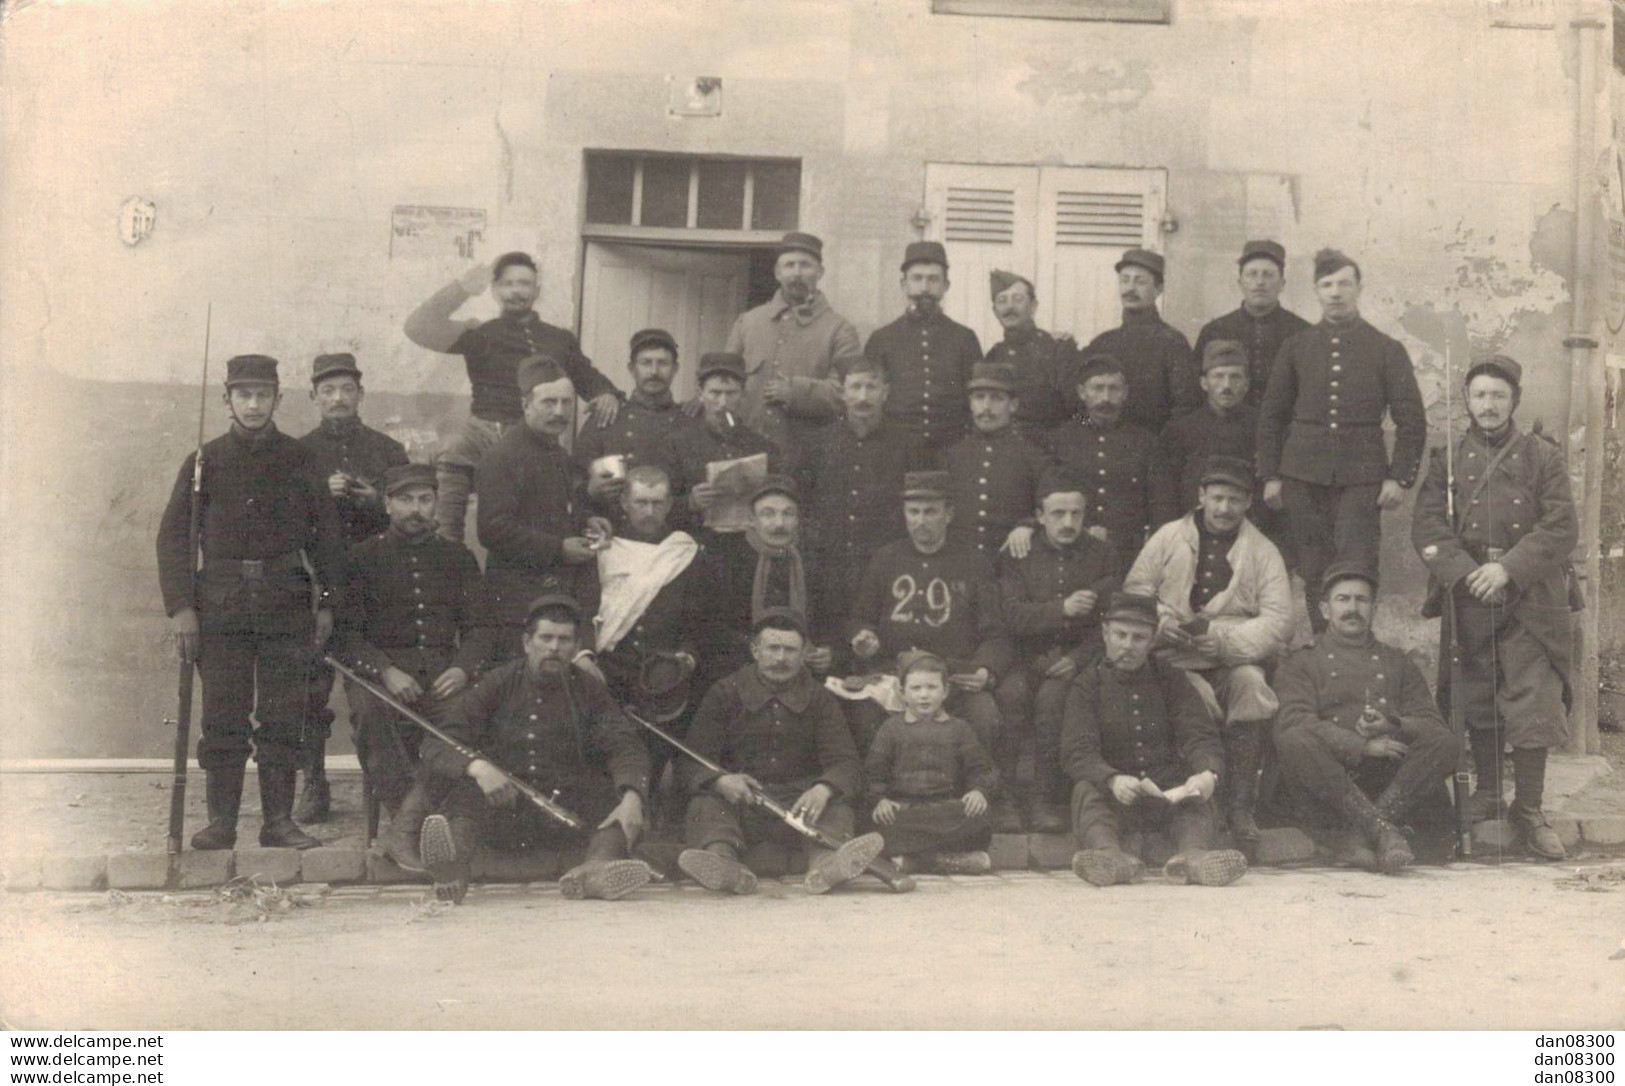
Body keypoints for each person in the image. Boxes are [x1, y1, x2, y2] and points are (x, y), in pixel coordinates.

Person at [155, 354, 345, 851]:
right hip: (220, 605)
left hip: (286, 604)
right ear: (227, 400)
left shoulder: (301, 460)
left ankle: (278, 822)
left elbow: (327, 538)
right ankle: (222, 824)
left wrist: (325, 602)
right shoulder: (203, 462)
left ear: (278, 399)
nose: (254, 404)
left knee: (283, 715)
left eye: (264, 395)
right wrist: (181, 608)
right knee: (223, 716)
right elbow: (173, 539)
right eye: (244, 395)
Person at [1412, 354, 1579, 860]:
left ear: (1514, 402)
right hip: (1470, 593)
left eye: (1498, 396)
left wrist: (1507, 568)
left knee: (1532, 696)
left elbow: (1561, 526)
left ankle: (1528, 808)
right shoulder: (1447, 460)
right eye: (1480, 395)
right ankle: (1487, 792)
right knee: (1478, 693)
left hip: (1530, 595)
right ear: (1467, 401)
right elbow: (1427, 528)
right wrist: (1466, 572)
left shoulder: (1542, 457)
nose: (1489, 404)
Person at [418, 594, 654, 904]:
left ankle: (595, 871)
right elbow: (438, 741)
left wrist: (632, 795)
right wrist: (478, 767)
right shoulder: (497, 684)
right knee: (467, 792)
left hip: (569, 810)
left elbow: (624, 743)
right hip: (506, 811)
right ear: (527, 643)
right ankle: (452, 869)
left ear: (575, 646)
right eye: (546, 637)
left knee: (615, 804)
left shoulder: (589, 689)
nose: (554, 647)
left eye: (564, 640)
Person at [1121, 455, 1292, 856]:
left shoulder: (1263, 551)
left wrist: (1226, 642)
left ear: (1249, 502)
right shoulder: (1168, 537)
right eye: (1216, 498)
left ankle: (1240, 806)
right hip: (1175, 658)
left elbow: (1279, 619)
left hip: (1231, 655)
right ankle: (1201, 804)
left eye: (1234, 500)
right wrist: (1159, 620)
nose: (1224, 509)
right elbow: (1136, 590)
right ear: (1201, 496)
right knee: (1191, 695)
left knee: (1252, 686)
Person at [334, 463, 495, 871]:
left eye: (425, 499)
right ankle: (412, 827)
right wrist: (385, 671)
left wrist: (462, 669)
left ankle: (418, 830)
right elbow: (346, 634)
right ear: (388, 504)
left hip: (444, 676)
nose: (416, 509)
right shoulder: (361, 559)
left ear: (437, 505)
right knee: (373, 715)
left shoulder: (458, 559)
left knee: (471, 721)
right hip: (382, 677)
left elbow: (479, 629)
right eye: (406, 500)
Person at [1257, 248, 1427, 633]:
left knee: (1357, 566)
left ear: (1359, 288)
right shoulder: (1297, 347)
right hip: (1302, 477)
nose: (1336, 292)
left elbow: (1411, 419)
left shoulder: (1386, 350)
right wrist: (1271, 474)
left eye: (1344, 283)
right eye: (1327, 284)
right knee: (1313, 568)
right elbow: (1273, 416)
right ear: (1317, 291)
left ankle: (1356, 651)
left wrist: (1398, 477)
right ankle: (1323, 648)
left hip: (1361, 479)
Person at [403, 252, 622, 543]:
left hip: (535, 440)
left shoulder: (559, 339)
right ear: (494, 291)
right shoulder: (481, 333)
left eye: (524, 283)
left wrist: (606, 393)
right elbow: (417, 328)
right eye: (507, 284)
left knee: (538, 520)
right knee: (450, 490)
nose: (516, 290)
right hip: (482, 432)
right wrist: (462, 289)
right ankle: (447, 553)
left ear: (537, 291)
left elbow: (586, 376)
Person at [676, 609, 895, 896]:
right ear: (755, 650)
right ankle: (723, 863)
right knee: (706, 804)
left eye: (790, 650)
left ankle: (826, 865)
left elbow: (845, 761)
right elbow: (691, 760)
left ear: (804, 653)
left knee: (836, 806)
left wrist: (824, 788)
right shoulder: (725, 692)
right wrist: (721, 781)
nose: (781, 658)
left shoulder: (820, 697)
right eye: (773, 648)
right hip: (742, 805)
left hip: (801, 807)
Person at [847, 471, 1015, 827]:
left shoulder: (974, 563)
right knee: (864, 717)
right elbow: (860, 619)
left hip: (951, 677)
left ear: (949, 513)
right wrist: (863, 638)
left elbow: (996, 633)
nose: (921, 521)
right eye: (914, 512)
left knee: (985, 714)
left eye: (930, 511)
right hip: (895, 677)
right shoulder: (885, 559)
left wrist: (985, 671)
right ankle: (875, 807)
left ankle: (982, 802)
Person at [1272, 563, 1462, 873]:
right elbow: (1294, 721)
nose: (1352, 608)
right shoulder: (1302, 661)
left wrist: (1393, 723)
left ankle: (1366, 831)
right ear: (1324, 609)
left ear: (1373, 608)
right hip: (1331, 777)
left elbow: (1431, 723)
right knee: (1294, 740)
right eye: (1342, 600)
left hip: (1390, 779)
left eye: (1361, 600)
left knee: (1445, 742)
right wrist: (1359, 746)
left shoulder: (1396, 661)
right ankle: (1383, 830)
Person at [1060, 592, 1248, 887]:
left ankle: (1195, 858)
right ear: (1105, 634)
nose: (1127, 645)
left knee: (1198, 795)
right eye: (1120, 635)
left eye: (1138, 638)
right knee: (1086, 790)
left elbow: (1199, 734)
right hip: (1117, 796)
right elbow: (1077, 751)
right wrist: (1112, 779)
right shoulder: (1087, 686)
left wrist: (1207, 773)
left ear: (1151, 642)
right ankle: (1109, 857)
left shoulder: (1171, 679)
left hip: (1166, 793)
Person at [294, 352, 410, 823]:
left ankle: (390, 789)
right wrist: (320, 494)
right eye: (328, 391)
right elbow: (283, 523)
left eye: (346, 389)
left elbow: (410, 518)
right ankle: (313, 784)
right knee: (308, 690)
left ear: (361, 394)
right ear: (314, 397)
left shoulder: (387, 451)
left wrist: (377, 502)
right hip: (316, 585)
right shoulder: (298, 453)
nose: (338, 398)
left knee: (376, 693)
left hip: (373, 589)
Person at [997, 468, 1123, 832]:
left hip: (1078, 660)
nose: (1067, 522)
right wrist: (1061, 609)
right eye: (1057, 514)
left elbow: (1111, 622)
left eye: (1076, 514)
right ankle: (1004, 799)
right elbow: (1010, 615)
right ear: (1039, 517)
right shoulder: (1018, 553)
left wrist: (1078, 659)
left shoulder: (1102, 554)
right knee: (1010, 696)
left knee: (1054, 703)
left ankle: (1045, 800)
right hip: (1025, 658)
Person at [475, 356, 613, 661]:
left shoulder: (558, 454)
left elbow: (560, 510)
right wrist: (559, 549)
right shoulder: (503, 457)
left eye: (566, 403)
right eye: (548, 402)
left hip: (555, 602)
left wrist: (588, 520)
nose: (559, 412)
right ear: (526, 405)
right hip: (517, 607)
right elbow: (492, 529)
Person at [793, 357, 929, 636]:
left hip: (884, 568)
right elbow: (801, 503)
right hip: (827, 567)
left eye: (871, 387)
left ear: (886, 392)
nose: (863, 396)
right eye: (855, 387)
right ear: (843, 393)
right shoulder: (818, 443)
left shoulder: (909, 446)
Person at [721, 231, 863, 452]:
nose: (796, 273)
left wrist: (795, 392)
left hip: (808, 452)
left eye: (805, 265)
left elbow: (848, 393)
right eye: (789, 265)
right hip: (747, 446)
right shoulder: (748, 322)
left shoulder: (840, 330)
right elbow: (724, 380)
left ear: (820, 272)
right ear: (778, 272)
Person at [694, 476, 833, 692]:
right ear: (751, 519)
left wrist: (826, 652)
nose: (779, 524)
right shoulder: (726, 559)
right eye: (768, 514)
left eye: (787, 514)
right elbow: (709, 627)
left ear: (798, 520)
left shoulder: (812, 562)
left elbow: (830, 620)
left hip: (801, 674)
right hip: (740, 673)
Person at [865, 651, 998, 875]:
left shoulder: (959, 728)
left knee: (979, 819)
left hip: (946, 807)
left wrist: (978, 791)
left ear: (945, 691)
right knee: (880, 825)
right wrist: (881, 800)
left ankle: (916, 861)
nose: (924, 695)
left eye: (931, 687)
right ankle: (947, 861)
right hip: (905, 808)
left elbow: (980, 769)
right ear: (902, 692)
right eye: (916, 689)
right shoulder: (891, 729)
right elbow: (874, 773)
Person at [1043, 354, 1177, 559]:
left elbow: (1162, 504)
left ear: (1125, 393)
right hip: (1070, 551)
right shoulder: (1061, 439)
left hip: (1129, 552)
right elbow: (1047, 498)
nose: (1105, 398)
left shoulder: (1146, 442)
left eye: (1113, 388)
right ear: (1082, 392)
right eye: (1097, 388)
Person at [864, 241, 983, 450]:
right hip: (895, 448)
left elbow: (977, 398)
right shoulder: (881, 339)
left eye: (933, 279)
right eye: (917, 278)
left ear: (946, 286)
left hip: (953, 448)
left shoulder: (965, 338)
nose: (924, 288)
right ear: (904, 284)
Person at [937, 361, 1052, 558]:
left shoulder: (1033, 457)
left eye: (997, 398)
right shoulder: (951, 455)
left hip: (1012, 562)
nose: (986, 407)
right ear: (970, 404)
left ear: (1013, 405)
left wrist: (1028, 526)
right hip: (959, 563)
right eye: (979, 398)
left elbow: (1049, 507)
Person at [574, 328, 692, 520]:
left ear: (675, 369)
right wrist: (591, 491)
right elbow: (576, 479)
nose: (654, 372)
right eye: (646, 363)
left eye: (662, 363)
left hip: (672, 534)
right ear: (631, 368)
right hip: (615, 531)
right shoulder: (607, 417)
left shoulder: (688, 420)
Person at [1080, 248, 1197, 433]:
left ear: (1159, 289)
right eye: (1125, 280)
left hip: (1155, 447)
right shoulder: (1102, 343)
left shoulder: (1173, 342)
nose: (1130, 289)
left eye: (1140, 281)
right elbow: (1080, 403)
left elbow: (1185, 407)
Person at [662, 352, 781, 531]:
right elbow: (659, 505)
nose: (723, 403)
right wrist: (691, 502)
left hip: (747, 544)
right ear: (700, 394)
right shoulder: (678, 444)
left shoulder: (762, 447)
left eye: (731, 393)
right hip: (697, 542)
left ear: (743, 395)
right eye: (715, 393)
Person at [1189, 240, 1311, 411]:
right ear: (1240, 282)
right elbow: (1198, 389)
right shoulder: (1215, 330)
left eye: (1268, 275)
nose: (1260, 282)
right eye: (1252, 274)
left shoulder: (1303, 332)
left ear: (1282, 283)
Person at [983, 269, 1079, 443]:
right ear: (995, 311)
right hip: (1005, 452)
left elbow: (1078, 411)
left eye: (1017, 299)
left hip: (1049, 452)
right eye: (1002, 301)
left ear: (1033, 306)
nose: (1009, 307)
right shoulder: (993, 356)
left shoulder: (1057, 349)